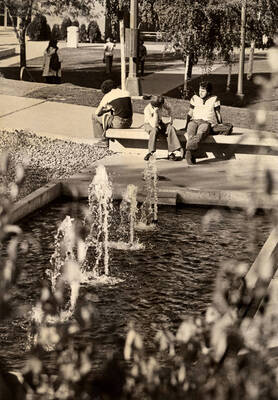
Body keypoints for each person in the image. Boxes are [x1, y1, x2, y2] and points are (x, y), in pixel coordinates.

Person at [184, 81, 233, 165]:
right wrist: (186, 125)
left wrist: (220, 124)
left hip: (205, 123)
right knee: (190, 134)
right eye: (199, 90)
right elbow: (190, 113)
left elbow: (218, 113)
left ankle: (188, 152)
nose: (200, 93)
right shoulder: (194, 98)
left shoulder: (215, 99)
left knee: (200, 134)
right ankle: (193, 154)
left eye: (203, 91)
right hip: (193, 121)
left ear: (208, 91)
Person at [144, 95, 182, 161]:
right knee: (154, 131)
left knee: (170, 128)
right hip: (149, 124)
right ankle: (151, 152)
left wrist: (171, 119)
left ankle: (171, 152)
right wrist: (155, 113)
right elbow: (153, 125)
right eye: (160, 106)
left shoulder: (161, 104)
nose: (161, 107)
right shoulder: (147, 109)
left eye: (161, 105)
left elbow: (169, 108)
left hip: (159, 122)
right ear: (154, 106)